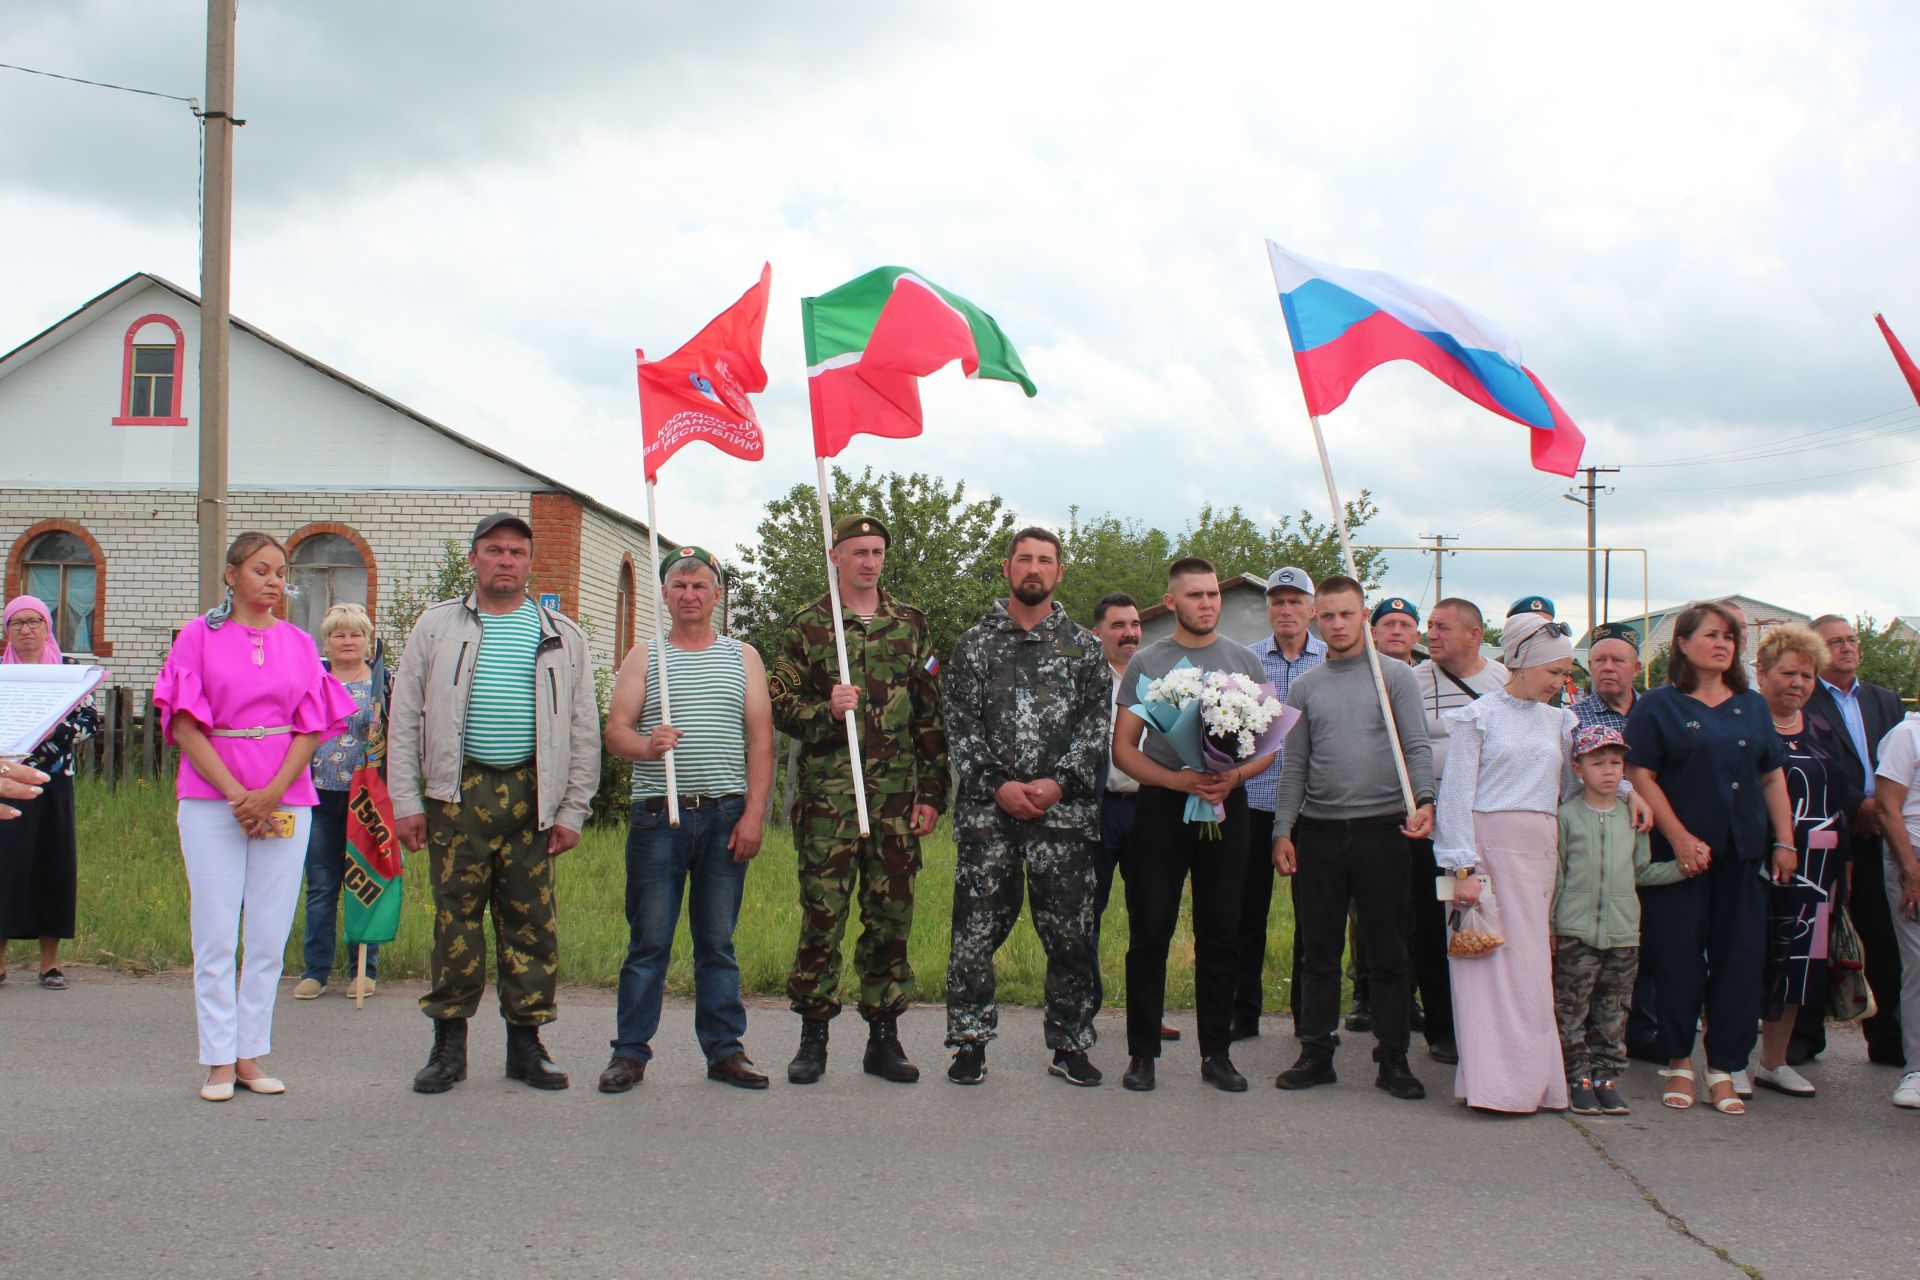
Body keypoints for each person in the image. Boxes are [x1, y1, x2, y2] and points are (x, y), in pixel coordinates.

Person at [390, 512, 601, 1094]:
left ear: (530, 563)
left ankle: (526, 1046)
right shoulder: (435, 628)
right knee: (455, 921)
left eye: (516, 552)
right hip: (456, 795)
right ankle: (448, 1047)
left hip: (534, 796)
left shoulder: (562, 634)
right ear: (474, 559)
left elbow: (584, 728)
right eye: (494, 550)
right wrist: (406, 801)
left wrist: (572, 809)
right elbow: (405, 716)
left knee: (532, 922)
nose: (505, 560)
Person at [153, 532, 356, 1101]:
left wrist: (269, 794)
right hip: (210, 797)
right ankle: (217, 1059)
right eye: (261, 569)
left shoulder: (296, 642)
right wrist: (239, 796)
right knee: (215, 930)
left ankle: (250, 1055)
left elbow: (313, 724)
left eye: (280, 571)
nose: (272, 581)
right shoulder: (197, 637)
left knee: (268, 932)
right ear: (231, 574)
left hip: (286, 798)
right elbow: (185, 725)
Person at [771, 513, 948, 1086]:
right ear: (836, 556)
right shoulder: (809, 626)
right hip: (830, 804)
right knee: (823, 919)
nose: (869, 561)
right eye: (858, 551)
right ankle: (813, 1035)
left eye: (877, 551)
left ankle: (883, 1037)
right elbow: (779, 705)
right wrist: (827, 711)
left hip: (896, 802)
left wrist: (933, 794)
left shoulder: (910, 624)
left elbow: (929, 715)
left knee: (890, 920)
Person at [599, 546, 774, 1093]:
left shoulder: (743, 656)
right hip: (660, 819)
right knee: (648, 942)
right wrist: (649, 747)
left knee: (717, 942)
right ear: (666, 594)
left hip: (724, 815)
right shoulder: (644, 656)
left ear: (717, 595)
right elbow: (616, 732)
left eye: (701, 586)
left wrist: (753, 816)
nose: (690, 595)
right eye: (680, 585)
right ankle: (630, 1053)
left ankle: (725, 1051)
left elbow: (762, 740)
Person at [942, 528, 1110, 1086]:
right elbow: (961, 728)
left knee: (1068, 935)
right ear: (1007, 567)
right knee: (975, 932)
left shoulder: (1084, 648)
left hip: (1063, 819)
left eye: (1045, 560)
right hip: (990, 818)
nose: (1033, 568)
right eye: (1024, 559)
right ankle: (969, 1041)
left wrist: (1058, 783)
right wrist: (998, 787)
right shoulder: (973, 646)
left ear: (1060, 572)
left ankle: (1070, 1043)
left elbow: (1094, 729)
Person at [1111, 557, 1275, 1092]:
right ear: (1172, 600)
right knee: (1150, 930)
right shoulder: (1149, 662)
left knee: (1221, 932)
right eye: (1195, 595)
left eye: (1213, 595)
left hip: (1229, 809)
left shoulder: (1244, 661)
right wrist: (1176, 780)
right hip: (1162, 807)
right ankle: (1142, 1054)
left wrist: (1234, 777)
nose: (1207, 603)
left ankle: (1217, 1055)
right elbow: (1123, 748)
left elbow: (1271, 745)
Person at [1625, 601, 1795, 1115]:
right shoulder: (1659, 705)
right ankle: (1678, 1061)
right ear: (1682, 643)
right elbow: (1639, 774)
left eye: (1730, 637)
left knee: (1740, 961)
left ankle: (1724, 1065)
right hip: (1682, 859)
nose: (1723, 644)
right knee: (1677, 958)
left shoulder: (1752, 705)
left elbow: (1771, 775)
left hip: (1743, 855)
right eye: (1712, 635)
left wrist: (1784, 841)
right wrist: (1677, 837)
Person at [1272, 574, 1436, 1101]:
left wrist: (1426, 801)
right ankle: (1316, 1051)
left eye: (1348, 614)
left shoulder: (1396, 679)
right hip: (1319, 833)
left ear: (1363, 616)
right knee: (1317, 949)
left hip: (1383, 830)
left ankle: (1393, 1058)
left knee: (1386, 950)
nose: (1339, 624)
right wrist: (1283, 830)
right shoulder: (1306, 686)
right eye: (1329, 615)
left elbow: (1416, 747)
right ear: (1317, 620)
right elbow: (1293, 765)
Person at [1551, 724, 1684, 1116]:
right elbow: (1556, 877)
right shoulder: (1566, 817)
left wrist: (1682, 868)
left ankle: (1606, 1078)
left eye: (1616, 762)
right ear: (1579, 768)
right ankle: (1576, 1077)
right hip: (1576, 931)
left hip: (1623, 933)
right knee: (1571, 1009)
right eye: (1598, 762)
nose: (1609, 771)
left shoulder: (1633, 817)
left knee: (1614, 1011)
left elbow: (1640, 871)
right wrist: (1551, 927)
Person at [1752, 624, 1856, 1098]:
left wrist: (1845, 867)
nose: (1798, 683)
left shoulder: (1822, 728)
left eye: (1807, 676)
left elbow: (1841, 799)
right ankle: (1730, 1060)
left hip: (1819, 871)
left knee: (1800, 963)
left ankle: (1773, 1062)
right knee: (1748, 959)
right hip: (1759, 864)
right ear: (1762, 672)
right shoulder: (1746, 722)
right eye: (1788, 672)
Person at [1408, 597, 1509, 1065]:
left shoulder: (1503, 682)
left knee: (1487, 921)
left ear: (1474, 634)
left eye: (1443, 627)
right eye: (1429, 626)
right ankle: (1442, 1029)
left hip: (1487, 827)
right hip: (1429, 829)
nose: (1431, 634)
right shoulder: (1413, 681)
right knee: (1433, 930)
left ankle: (1488, 1025)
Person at [1803, 614, 1906, 1067]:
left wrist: (1883, 808)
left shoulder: (1885, 702)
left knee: (1883, 939)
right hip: (1826, 829)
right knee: (1817, 933)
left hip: (1882, 833)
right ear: (1816, 651)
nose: (1846, 648)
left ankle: (1890, 1041)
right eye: (1835, 642)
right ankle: (1803, 1040)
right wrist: (1856, 805)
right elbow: (1807, 762)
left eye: (1851, 640)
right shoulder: (1804, 699)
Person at [1237, 565, 1324, 1041]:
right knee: (1244, 914)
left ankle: (1307, 1018)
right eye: (1277, 601)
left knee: (1313, 922)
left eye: (1295, 602)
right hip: (1252, 802)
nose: (1286, 610)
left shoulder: (1332, 660)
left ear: (1312, 609)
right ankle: (1241, 1012)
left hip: (1313, 809)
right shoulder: (1247, 662)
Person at [1091, 592, 1179, 1043]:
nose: (1129, 634)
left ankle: (1148, 1013)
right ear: (1098, 632)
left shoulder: (1158, 679)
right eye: (1117, 626)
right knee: (1089, 913)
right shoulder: (1086, 681)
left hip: (1150, 808)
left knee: (1152, 916)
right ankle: (1083, 1010)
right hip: (1100, 810)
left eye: (1134, 625)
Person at [0, 595, 99, 990]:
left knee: (53, 866)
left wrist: (41, 746)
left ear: (47, 626)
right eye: (16, 623)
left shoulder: (69, 673)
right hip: (6, 781)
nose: (26, 630)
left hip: (55, 782)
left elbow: (88, 719)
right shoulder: (2, 675)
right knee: (6, 869)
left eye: (34, 621)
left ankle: (50, 964)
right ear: (7, 631)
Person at [293, 603, 385, 1000]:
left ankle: (364, 970)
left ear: (367, 641)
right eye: (338, 634)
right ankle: (315, 970)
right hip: (318, 797)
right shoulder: (311, 679)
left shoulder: (382, 684)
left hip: (364, 799)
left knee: (363, 883)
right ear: (325, 641)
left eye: (355, 634)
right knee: (321, 885)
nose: (347, 641)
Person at [1869, 701, 1920, 1108]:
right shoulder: (1908, 735)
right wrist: (1910, 869)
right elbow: (1887, 807)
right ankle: (1917, 1071)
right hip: (1914, 860)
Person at [1572, 622, 1643, 736]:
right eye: (1600, 660)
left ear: (1636, 668)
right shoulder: (1572, 719)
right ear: (1590, 666)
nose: (1608, 667)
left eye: (1617, 660)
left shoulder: (1656, 713)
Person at [1369, 597, 1419, 664]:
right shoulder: (1354, 673)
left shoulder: (1426, 674)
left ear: (1416, 636)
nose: (1396, 631)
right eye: (1389, 624)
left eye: (1405, 625)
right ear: (1373, 633)